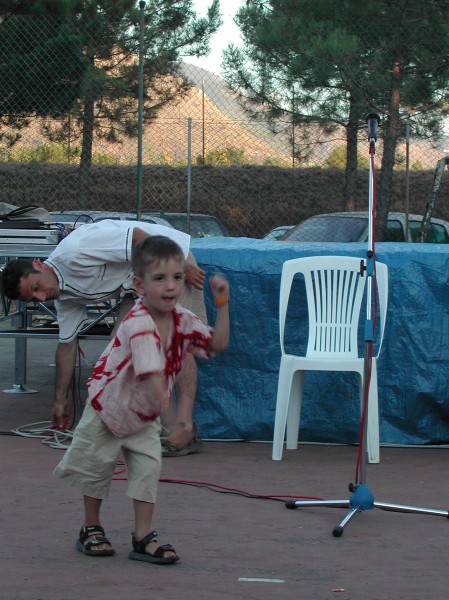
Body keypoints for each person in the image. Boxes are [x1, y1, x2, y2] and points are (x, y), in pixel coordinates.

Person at [53, 235, 230, 562]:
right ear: (139, 284)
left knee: (148, 471)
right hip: (108, 407)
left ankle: (142, 536)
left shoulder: (182, 319)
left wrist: (222, 305)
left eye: (177, 277)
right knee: (96, 469)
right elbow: (151, 374)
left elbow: (216, 344)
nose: (171, 286)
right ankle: (91, 527)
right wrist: (175, 421)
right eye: (159, 278)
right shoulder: (138, 323)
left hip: (144, 414)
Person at [2, 219, 207, 456]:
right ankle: (138, 427)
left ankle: (185, 429)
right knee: (118, 352)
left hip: (166, 255)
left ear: (39, 265)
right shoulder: (63, 297)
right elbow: (66, 346)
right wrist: (59, 400)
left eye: (36, 287)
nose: (41, 298)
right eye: (32, 298)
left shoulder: (76, 250)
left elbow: (136, 237)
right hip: (137, 283)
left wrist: (179, 265)